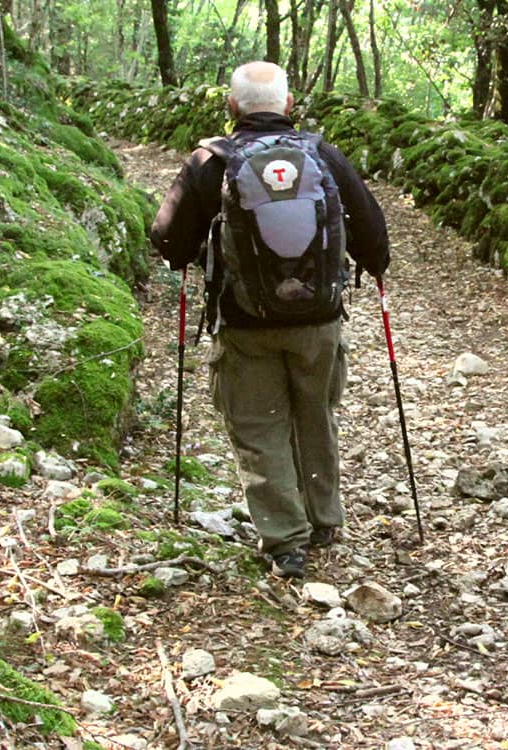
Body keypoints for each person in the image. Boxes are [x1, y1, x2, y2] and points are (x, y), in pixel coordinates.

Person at [149, 61, 390, 579]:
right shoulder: (321, 154)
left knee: (259, 426)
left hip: (243, 322)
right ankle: (324, 520)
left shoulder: (210, 161)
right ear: (289, 106)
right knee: (315, 412)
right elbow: (372, 228)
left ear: (232, 107)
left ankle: (286, 542)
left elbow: (166, 236)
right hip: (319, 319)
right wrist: (374, 265)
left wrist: (194, 253)